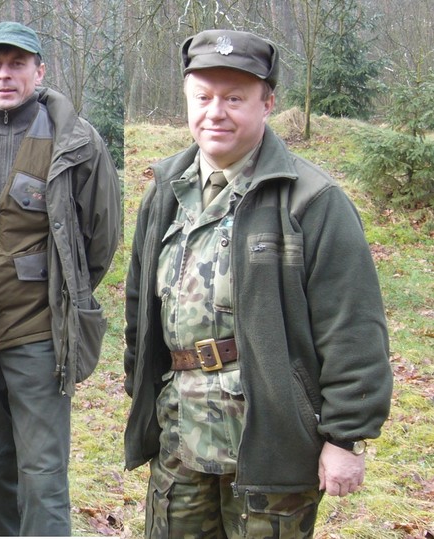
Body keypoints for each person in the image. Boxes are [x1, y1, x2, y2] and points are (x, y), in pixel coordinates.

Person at [123, 29, 392, 538]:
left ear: (267, 103)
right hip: (179, 433)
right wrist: (140, 390)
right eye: (203, 97)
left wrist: (345, 437)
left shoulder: (311, 200)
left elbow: (352, 325)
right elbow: (141, 305)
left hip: (271, 443)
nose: (215, 112)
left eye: (235, 98)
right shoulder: (164, 192)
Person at [0, 21, 121, 536]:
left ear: (40, 70)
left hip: (38, 334)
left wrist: (62, 293)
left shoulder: (77, 142)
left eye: (17, 64)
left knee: (43, 473)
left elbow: (101, 240)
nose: (5, 75)